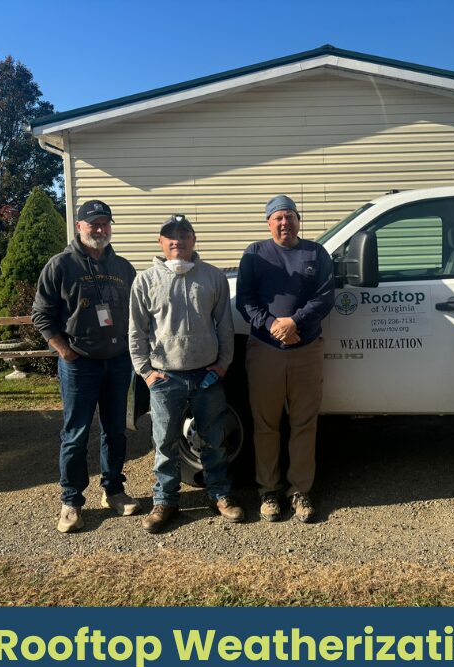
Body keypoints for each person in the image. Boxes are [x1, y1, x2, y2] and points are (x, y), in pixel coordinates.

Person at [128, 215, 243, 532]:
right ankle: (165, 501)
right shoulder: (145, 281)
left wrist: (222, 365)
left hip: (207, 377)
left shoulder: (213, 277)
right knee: (164, 443)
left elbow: (225, 327)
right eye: (170, 236)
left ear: (194, 240)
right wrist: (146, 373)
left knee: (214, 440)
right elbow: (136, 333)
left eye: (184, 235)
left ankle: (220, 495)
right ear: (160, 242)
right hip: (166, 380)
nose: (177, 240)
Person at [32, 199, 141, 534]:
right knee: (75, 433)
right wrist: (64, 351)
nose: (100, 229)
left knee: (115, 430)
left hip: (118, 361)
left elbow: (138, 313)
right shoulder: (60, 265)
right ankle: (71, 501)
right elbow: (42, 315)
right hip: (80, 364)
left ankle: (114, 491)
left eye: (105, 223)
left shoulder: (123, 267)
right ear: (79, 227)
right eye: (93, 224)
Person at [235, 195, 335, 523]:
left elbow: (324, 297)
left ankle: (300, 491)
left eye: (289, 216)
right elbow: (245, 300)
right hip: (265, 350)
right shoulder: (255, 253)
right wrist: (272, 324)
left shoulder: (316, 253)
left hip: (306, 349)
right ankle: (268, 491)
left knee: (304, 423)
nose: (284, 222)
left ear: (298, 220)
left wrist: (295, 322)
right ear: (268, 223)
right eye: (278, 217)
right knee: (265, 425)